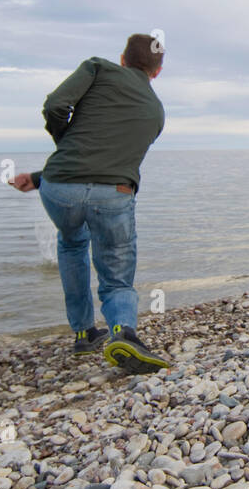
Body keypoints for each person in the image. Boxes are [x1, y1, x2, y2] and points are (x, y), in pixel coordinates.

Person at [9, 34, 170, 373]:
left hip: (59, 190)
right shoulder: (156, 112)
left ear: (123, 58)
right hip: (114, 195)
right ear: (157, 72)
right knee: (116, 274)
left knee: (71, 244)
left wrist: (51, 163)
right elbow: (107, 158)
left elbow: (55, 106)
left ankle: (83, 333)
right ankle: (122, 332)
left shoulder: (97, 69)